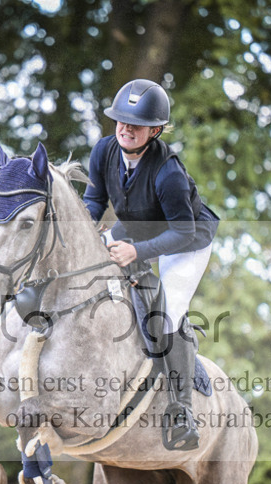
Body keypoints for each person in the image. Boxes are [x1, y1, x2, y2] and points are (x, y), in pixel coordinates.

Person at [83, 78, 219, 451]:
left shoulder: (168, 172)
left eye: (136, 124)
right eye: (121, 120)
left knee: (168, 314)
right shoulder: (103, 152)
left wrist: (137, 253)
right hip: (142, 223)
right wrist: (83, 230)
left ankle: (182, 410)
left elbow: (181, 232)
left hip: (187, 238)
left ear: (154, 131)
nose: (125, 128)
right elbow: (94, 201)